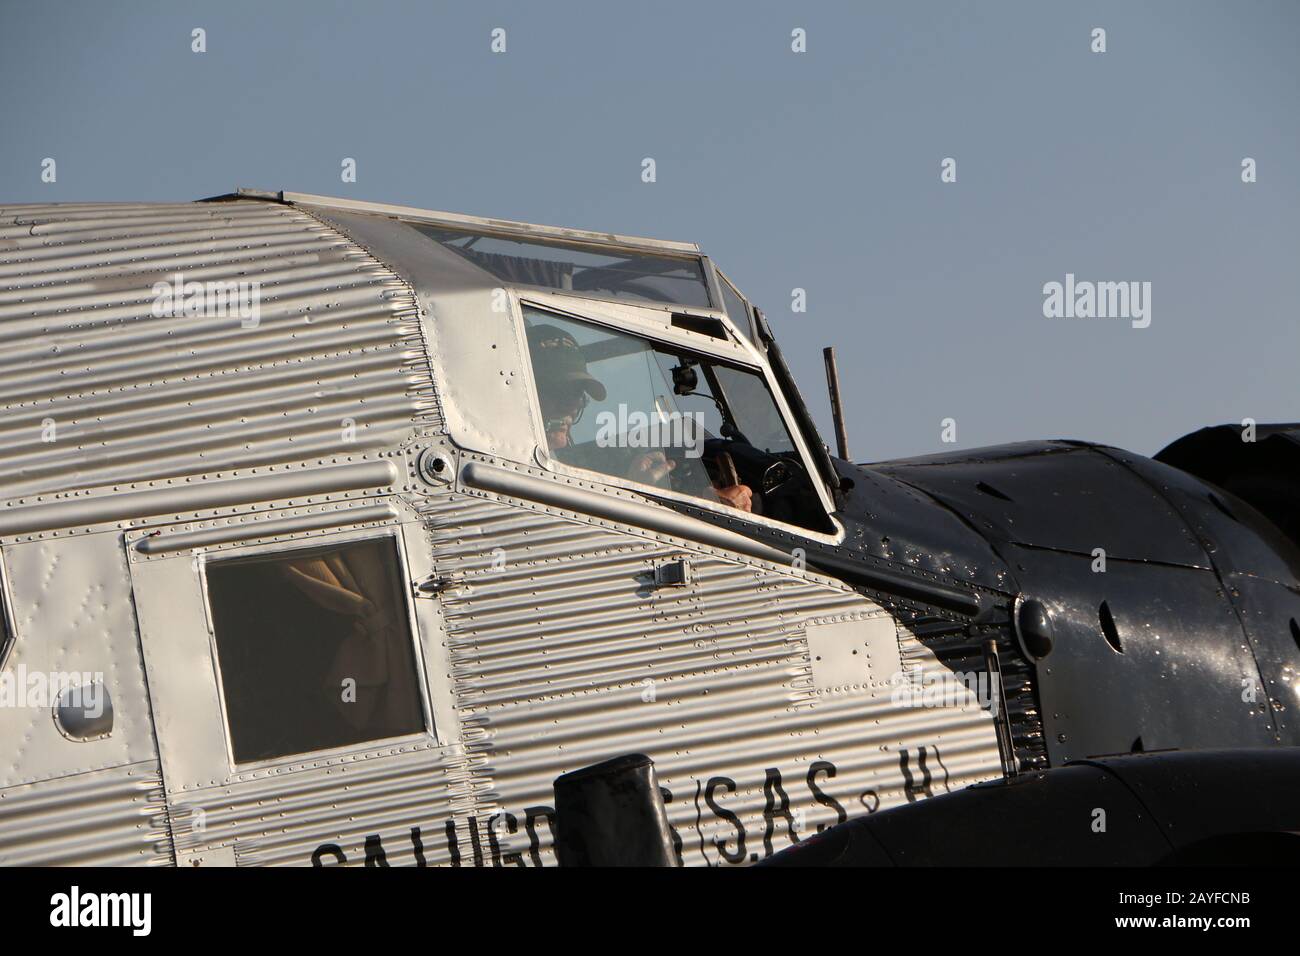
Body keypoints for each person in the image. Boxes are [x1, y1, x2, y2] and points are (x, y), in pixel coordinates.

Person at [527, 323, 753, 512]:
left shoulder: (566, 462)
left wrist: (706, 500)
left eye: (578, 394)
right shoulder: (528, 466)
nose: (573, 404)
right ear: (529, 390)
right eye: (560, 390)